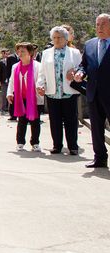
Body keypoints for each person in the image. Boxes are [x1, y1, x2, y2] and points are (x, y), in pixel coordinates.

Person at [36, 26, 82, 155]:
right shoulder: (46, 53)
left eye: (59, 37)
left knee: (71, 120)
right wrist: (40, 85)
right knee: (55, 120)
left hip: (69, 91)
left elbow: (81, 68)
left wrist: (74, 71)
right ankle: (57, 145)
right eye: (54, 37)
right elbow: (42, 72)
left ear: (66, 39)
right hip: (53, 92)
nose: (56, 40)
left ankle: (73, 146)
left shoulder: (75, 52)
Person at [74, 13, 110, 168]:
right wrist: (80, 72)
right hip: (93, 93)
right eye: (97, 24)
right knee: (96, 128)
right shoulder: (89, 44)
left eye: (103, 24)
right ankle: (100, 158)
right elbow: (84, 64)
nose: (99, 27)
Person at [7, 43, 42, 152]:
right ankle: (20, 142)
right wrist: (9, 93)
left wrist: (41, 88)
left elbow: (41, 80)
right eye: (19, 51)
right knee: (21, 121)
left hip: (34, 99)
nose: (20, 53)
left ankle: (35, 142)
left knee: (35, 121)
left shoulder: (38, 66)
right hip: (20, 99)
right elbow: (12, 81)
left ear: (30, 53)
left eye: (23, 51)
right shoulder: (15, 66)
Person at [5, 49, 20, 120]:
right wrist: (8, 78)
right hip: (13, 79)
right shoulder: (10, 57)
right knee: (12, 97)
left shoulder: (24, 57)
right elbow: (7, 69)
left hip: (21, 80)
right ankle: (13, 115)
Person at [0, 49, 9, 115]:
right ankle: (3, 109)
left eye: (7, 53)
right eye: (5, 53)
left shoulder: (11, 61)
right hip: (3, 81)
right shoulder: (1, 62)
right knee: (3, 95)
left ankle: (9, 109)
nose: (6, 55)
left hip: (10, 81)